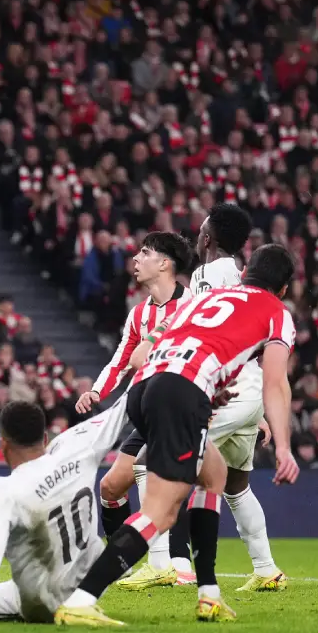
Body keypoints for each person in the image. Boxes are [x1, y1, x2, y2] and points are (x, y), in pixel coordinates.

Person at [56, 244, 301, 627]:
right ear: (283, 288)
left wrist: (201, 385)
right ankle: (82, 599)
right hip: (179, 394)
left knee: (214, 473)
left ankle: (209, 595)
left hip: (147, 386)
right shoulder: (276, 313)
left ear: (247, 269)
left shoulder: (206, 297)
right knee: (161, 512)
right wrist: (284, 447)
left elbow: (144, 351)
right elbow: (275, 381)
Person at [133, 204, 285, 592]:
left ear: (208, 238)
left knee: (151, 460)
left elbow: (221, 330)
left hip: (229, 390)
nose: (197, 236)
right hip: (244, 391)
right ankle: (267, 570)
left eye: (201, 229)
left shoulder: (217, 274)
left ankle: (167, 563)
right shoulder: (226, 274)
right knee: (235, 486)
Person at [75, 231, 195, 589]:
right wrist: (97, 390)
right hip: (148, 408)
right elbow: (122, 360)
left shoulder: (193, 305)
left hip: (183, 406)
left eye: (145, 252)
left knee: (165, 480)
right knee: (111, 487)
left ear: (165, 263)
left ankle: (176, 563)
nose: (136, 258)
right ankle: (125, 561)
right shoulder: (139, 313)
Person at [0, 398, 130, 625]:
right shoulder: (77, 447)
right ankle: (80, 602)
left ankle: (56, 610)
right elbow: (122, 409)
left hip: (43, 603)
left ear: (3, 444)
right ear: (44, 438)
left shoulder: (4, 490)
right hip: (88, 586)